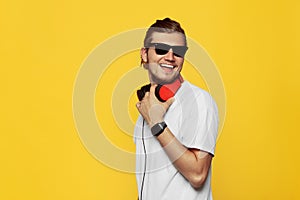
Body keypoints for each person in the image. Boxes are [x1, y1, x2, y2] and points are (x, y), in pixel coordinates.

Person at [134, 18, 219, 200]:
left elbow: (198, 175)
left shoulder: (199, 102)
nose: (170, 57)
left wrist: (157, 124)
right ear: (144, 54)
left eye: (178, 52)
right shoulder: (146, 110)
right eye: (161, 49)